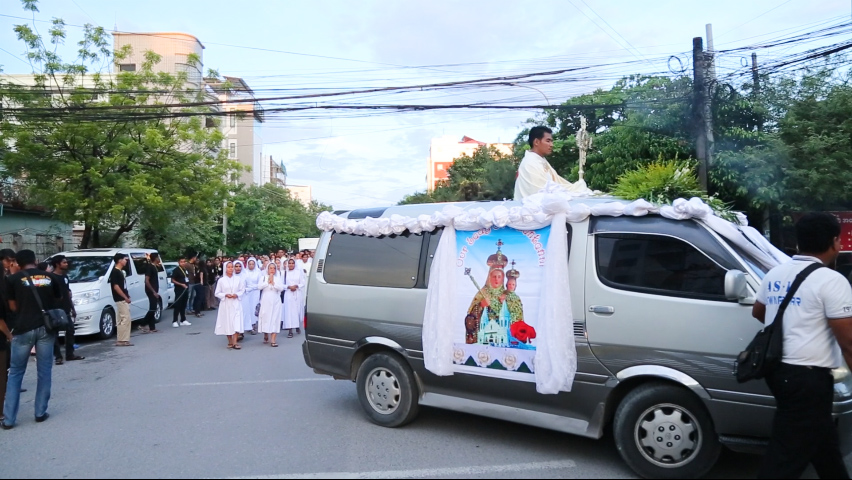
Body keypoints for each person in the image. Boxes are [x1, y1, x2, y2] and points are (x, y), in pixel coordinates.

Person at [753, 212, 852, 479]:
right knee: (784, 458)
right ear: (834, 242)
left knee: (823, 445)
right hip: (806, 379)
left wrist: (795, 322)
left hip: (777, 371)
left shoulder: (775, 273)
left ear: (799, 242)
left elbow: (759, 312)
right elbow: (848, 341)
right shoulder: (832, 280)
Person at [2, 250, 63, 429]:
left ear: (17, 263)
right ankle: (40, 412)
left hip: (23, 329)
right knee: (44, 371)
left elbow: (12, 307)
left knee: (15, 373)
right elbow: (58, 298)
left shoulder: (12, 280)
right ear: (35, 261)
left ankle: (9, 419)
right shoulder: (50, 277)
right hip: (46, 329)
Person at [514, 126, 589, 200]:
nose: (551, 145)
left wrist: (577, 187)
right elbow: (539, 193)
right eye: (548, 141)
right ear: (536, 142)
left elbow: (558, 184)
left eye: (551, 141)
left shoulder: (541, 160)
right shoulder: (530, 163)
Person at [50, 256, 85, 363]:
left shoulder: (65, 277)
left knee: (70, 330)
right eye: (64, 262)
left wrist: (72, 308)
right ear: (57, 264)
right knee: (54, 333)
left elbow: (68, 293)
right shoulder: (51, 277)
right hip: (55, 309)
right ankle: (58, 356)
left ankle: (70, 354)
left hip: (66, 308)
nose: (66, 264)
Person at [214, 262, 245, 350]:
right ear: (225, 268)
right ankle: (230, 341)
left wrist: (237, 294)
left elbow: (242, 290)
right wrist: (225, 295)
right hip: (226, 304)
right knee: (227, 321)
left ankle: (235, 342)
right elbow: (217, 293)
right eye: (229, 267)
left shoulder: (238, 279)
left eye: (232, 267)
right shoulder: (221, 280)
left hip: (236, 302)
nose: (231, 269)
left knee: (236, 321)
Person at [258, 262, 284, 347]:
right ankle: (265, 333)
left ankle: (273, 340)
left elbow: (281, 288)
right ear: (267, 269)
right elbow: (259, 287)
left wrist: (273, 283)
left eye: (274, 268)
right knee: (266, 317)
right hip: (265, 300)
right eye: (270, 268)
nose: (272, 270)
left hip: (276, 300)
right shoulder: (263, 278)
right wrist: (268, 282)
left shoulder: (278, 278)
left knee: (275, 318)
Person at [110, 254, 133, 347]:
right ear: (119, 260)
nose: (126, 261)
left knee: (120, 319)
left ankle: (121, 339)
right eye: (124, 259)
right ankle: (123, 340)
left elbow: (123, 286)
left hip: (122, 298)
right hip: (120, 299)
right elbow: (116, 287)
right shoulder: (115, 272)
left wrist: (127, 295)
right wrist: (125, 297)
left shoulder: (120, 272)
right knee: (126, 318)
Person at [282, 259, 306, 339]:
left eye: (292, 263)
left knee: (297, 311)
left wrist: (296, 286)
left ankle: (297, 326)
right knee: (289, 312)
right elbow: (281, 284)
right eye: (289, 263)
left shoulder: (298, 272)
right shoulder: (284, 273)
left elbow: (302, 283)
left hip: (297, 293)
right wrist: (289, 287)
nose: (291, 265)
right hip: (288, 294)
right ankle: (290, 330)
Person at [140, 253, 162, 334]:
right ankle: (142, 324)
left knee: (153, 307)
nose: (159, 259)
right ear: (155, 258)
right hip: (150, 291)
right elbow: (146, 280)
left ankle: (152, 327)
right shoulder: (150, 267)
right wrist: (153, 291)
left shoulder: (155, 267)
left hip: (154, 290)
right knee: (153, 308)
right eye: (158, 257)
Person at [240, 258, 262, 336]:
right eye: (250, 264)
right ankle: (247, 325)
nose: (251, 266)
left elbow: (260, 284)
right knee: (247, 309)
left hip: (255, 293)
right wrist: (249, 288)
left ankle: (254, 325)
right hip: (247, 293)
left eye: (253, 264)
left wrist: (252, 287)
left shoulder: (258, 272)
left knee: (254, 308)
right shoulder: (244, 272)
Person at [171, 257, 191, 328]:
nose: (183, 263)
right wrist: (181, 284)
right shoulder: (176, 270)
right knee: (177, 305)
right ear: (179, 262)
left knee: (183, 305)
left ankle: (183, 320)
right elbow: (172, 280)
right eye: (181, 262)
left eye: (184, 262)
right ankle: (174, 321)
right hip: (179, 289)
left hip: (185, 289)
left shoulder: (185, 269)